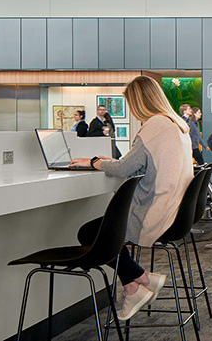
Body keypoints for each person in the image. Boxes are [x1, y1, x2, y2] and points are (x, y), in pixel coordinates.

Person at [69, 76, 193, 321]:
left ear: (139, 102)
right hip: (175, 210)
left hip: (155, 210)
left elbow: (124, 170)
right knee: (101, 232)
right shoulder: (176, 125)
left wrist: (94, 162)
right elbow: (139, 164)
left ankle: (138, 282)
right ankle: (138, 282)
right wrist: (111, 162)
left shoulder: (154, 125)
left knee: (90, 234)